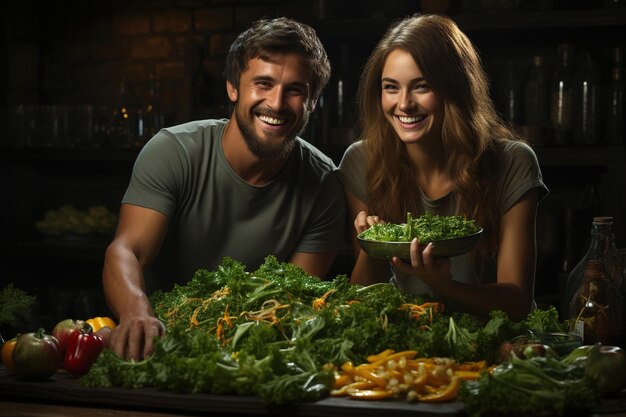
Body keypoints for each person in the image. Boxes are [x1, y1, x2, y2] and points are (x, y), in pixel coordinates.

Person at [102, 17, 347, 360]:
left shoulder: (324, 185)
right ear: (233, 87)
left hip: (249, 356)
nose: (276, 104)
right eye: (263, 83)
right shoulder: (174, 151)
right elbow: (126, 251)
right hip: (156, 348)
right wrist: (136, 313)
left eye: (295, 90)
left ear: (313, 102)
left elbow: (290, 299)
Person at [338, 14, 548, 322]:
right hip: (410, 348)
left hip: (495, 346)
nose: (404, 104)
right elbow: (362, 300)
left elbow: (516, 303)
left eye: (421, 86)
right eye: (391, 87)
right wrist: (373, 246)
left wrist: (443, 286)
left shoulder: (513, 161)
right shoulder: (361, 161)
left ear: (455, 88)